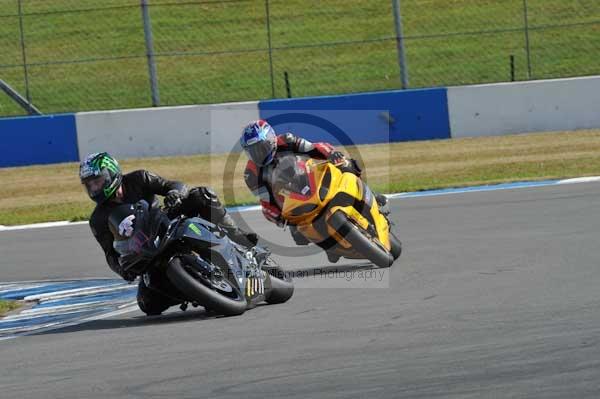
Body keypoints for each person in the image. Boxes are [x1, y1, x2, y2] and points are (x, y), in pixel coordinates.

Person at [79, 152, 257, 315]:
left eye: (98, 181)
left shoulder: (139, 179)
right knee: (147, 304)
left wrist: (174, 193)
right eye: (90, 185)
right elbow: (110, 253)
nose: (94, 188)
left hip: (166, 221)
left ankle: (238, 238)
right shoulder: (97, 219)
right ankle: (198, 292)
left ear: (111, 174)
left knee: (202, 195)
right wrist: (123, 270)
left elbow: (173, 185)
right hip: (145, 252)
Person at [240, 120, 387, 262]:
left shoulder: (287, 140)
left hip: (311, 176)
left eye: (261, 147)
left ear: (271, 139)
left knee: (347, 164)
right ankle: (330, 246)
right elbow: (266, 201)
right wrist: (278, 217)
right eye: (252, 151)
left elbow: (314, 148)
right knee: (299, 235)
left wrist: (332, 154)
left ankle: (370, 194)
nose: (258, 153)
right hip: (290, 200)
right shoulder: (251, 175)